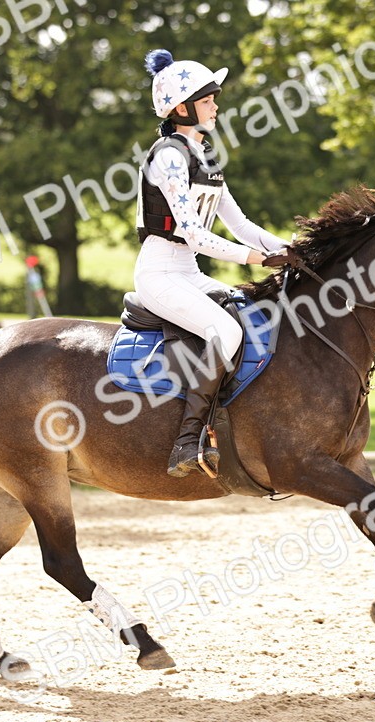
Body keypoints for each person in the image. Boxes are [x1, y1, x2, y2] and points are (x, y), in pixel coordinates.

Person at [136, 49, 297, 478]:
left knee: (255, 316)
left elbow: (241, 224)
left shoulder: (206, 157)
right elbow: (192, 234)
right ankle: (186, 442)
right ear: (182, 108)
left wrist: (294, 249)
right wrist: (258, 259)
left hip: (188, 272)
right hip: (159, 272)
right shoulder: (168, 156)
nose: (216, 106)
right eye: (208, 100)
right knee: (224, 329)